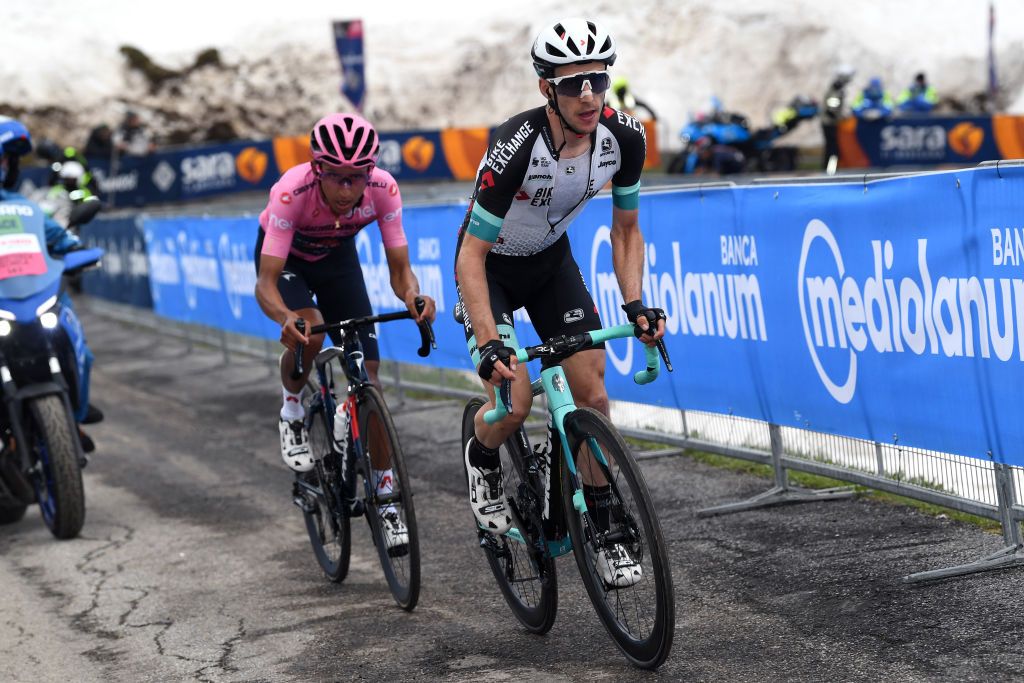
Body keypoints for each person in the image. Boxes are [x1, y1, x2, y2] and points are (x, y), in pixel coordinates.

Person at [454, 17, 666, 588]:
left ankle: (603, 520)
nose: (589, 95)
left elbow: (626, 232)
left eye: (598, 79)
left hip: (550, 263)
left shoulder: (625, 138)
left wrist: (636, 303)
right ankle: (482, 455)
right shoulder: (514, 146)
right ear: (546, 88)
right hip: (491, 269)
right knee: (515, 402)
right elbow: (471, 257)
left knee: (591, 392)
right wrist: (492, 341)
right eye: (573, 84)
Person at [254, 113, 436, 546]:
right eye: (336, 177)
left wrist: (414, 298)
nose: (347, 189)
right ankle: (293, 409)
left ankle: (388, 500)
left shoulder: (383, 190)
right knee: (311, 329)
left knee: (369, 376)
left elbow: (401, 271)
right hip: (287, 263)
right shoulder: (289, 193)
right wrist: (285, 318)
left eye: (356, 177)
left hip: (337, 261)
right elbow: (265, 285)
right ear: (317, 169)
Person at [0, 117, 103, 449]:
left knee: (69, 328)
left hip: (30, 299)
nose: (2, 166)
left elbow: (59, 239)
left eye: (4, 158)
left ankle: (74, 411)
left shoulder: (25, 209)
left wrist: (76, 250)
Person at [821, 65, 855, 172]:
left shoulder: (837, 89)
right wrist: (840, 117)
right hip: (830, 123)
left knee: (832, 148)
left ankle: (830, 169)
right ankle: (830, 171)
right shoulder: (836, 90)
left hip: (830, 122)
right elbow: (832, 108)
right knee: (833, 149)